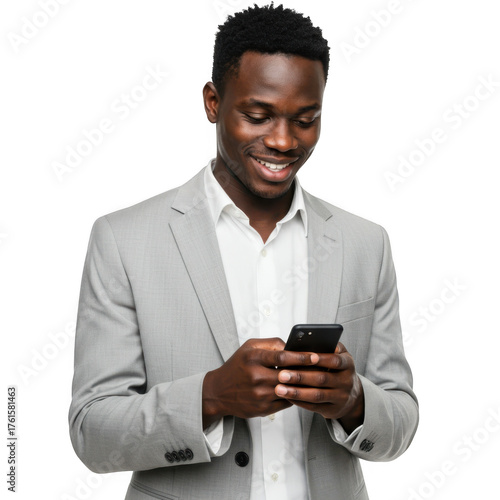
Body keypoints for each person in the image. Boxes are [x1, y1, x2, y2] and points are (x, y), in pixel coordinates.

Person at [69, 4, 418, 499]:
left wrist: (354, 401)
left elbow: (401, 419)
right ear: (213, 102)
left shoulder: (366, 244)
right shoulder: (124, 241)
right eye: (258, 116)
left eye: (305, 120)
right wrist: (209, 397)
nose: (282, 141)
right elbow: (91, 431)